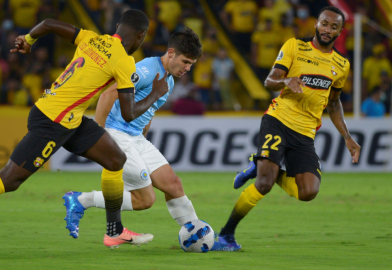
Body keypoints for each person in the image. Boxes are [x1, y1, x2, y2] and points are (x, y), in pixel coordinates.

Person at [0, 10, 170, 262]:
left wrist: (28, 40)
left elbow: (49, 24)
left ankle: (114, 231)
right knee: (9, 180)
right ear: (141, 36)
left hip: (68, 118)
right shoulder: (124, 61)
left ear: (118, 26)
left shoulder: (91, 38)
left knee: (115, 159)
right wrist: (155, 93)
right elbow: (129, 114)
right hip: (52, 122)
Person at [215, 6, 361, 251]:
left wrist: (347, 136)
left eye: (334, 27)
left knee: (308, 192)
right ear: (316, 23)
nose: (328, 30)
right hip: (278, 120)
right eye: (324, 23)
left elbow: (333, 103)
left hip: (305, 133)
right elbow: (269, 80)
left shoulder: (341, 65)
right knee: (264, 184)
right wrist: (285, 80)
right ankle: (226, 235)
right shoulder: (295, 46)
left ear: (340, 31)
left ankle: (257, 164)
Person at [63, 27, 206, 245]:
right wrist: (101, 135)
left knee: (173, 184)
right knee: (145, 200)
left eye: (191, 64)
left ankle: (197, 234)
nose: (187, 68)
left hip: (136, 138)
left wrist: (143, 136)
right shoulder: (148, 69)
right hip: (117, 134)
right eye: (185, 61)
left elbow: (149, 111)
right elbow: (109, 93)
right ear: (170, 53)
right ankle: (81, 200)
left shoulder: (168, 80)